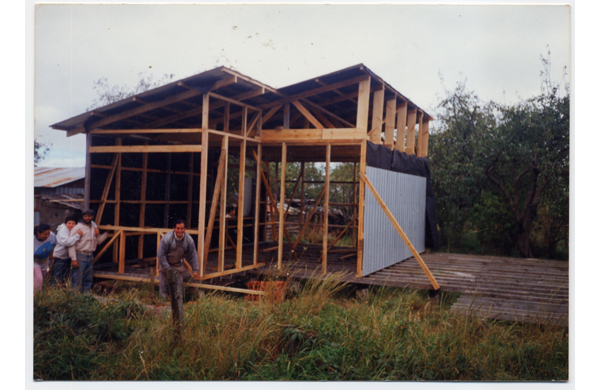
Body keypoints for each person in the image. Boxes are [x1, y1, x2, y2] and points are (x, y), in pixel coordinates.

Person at [157, 219, 200, 299]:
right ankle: (162, 302)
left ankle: (176, 303)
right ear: (174, 229)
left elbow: (193, 255)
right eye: (178, 228)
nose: (180, 231)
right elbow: (160, 255)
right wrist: (167, 268)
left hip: (178, 265)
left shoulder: (189, 240)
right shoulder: (167, 238)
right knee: (163, 286)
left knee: (178, 287)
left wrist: (195, 269)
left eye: (182, 228)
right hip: (165, 265)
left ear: (184, 229)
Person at [68, 209, 104, 293]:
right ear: (83, 217)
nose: (87, 218)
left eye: (89, 216)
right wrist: (73, 259)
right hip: (80, 255)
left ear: (92, 217)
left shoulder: (93, 227)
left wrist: (106, 232)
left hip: (90, 255)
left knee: (88, 277)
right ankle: (75, 296)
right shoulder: (77, 227)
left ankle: (86, 296)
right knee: (78, 277)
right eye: (85, 216)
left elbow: (99, 241)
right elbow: (71, 244)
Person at [50, 216, 84, 286]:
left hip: (67, 258)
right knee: (56, 277)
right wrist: (77, 235)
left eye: (73, 223)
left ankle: (61, 293)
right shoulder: (63, 230)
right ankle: (54, 293)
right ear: (65, 224)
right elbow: (67, 242)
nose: (71, 225)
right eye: (69, 223)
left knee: (64, 277)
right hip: (59, 257)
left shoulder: (72, 231)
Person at [34, 223, 57, 293]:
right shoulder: (31, 239)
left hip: (45, 260)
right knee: (39, 278)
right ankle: (35, 297)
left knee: (43, 279)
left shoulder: (52, 236)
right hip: (33, 260)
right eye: (45, 234)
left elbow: (54, 244)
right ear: (38, 233)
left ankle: (41, 295)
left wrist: (51, 254)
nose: (47, 236)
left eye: (48, 233)